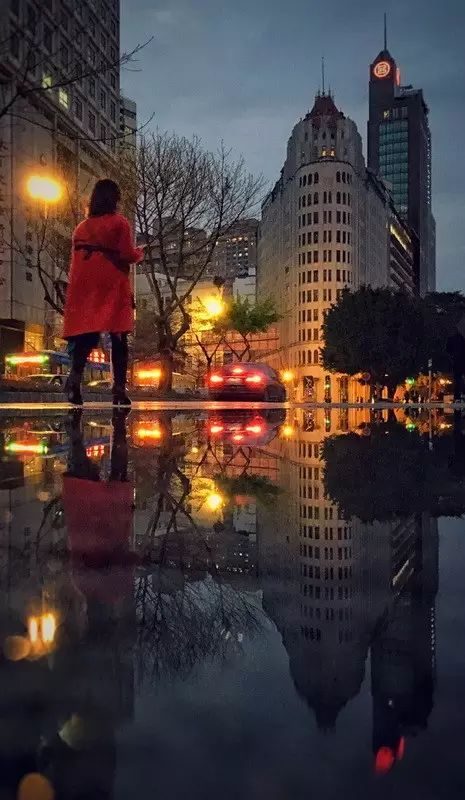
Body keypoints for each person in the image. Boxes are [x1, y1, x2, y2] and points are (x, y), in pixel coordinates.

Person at [63, 179, 144, 406]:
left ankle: (74, 382)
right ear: (114, 199)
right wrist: (139, 254)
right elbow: (126, 254)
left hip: (84, 285)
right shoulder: (119, 223)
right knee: (118, 336)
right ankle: (118, 389)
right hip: (111, 284)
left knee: (86, 335)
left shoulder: (81, 227)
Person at [446, 328, 465, 402]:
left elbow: (448, 350)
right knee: (459, 379)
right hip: (461, 361)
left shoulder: (451, 339)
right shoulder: (461, 339)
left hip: (457, 362)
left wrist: (452, 356)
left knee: (457, 379)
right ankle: (461, 394)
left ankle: (457, 396)